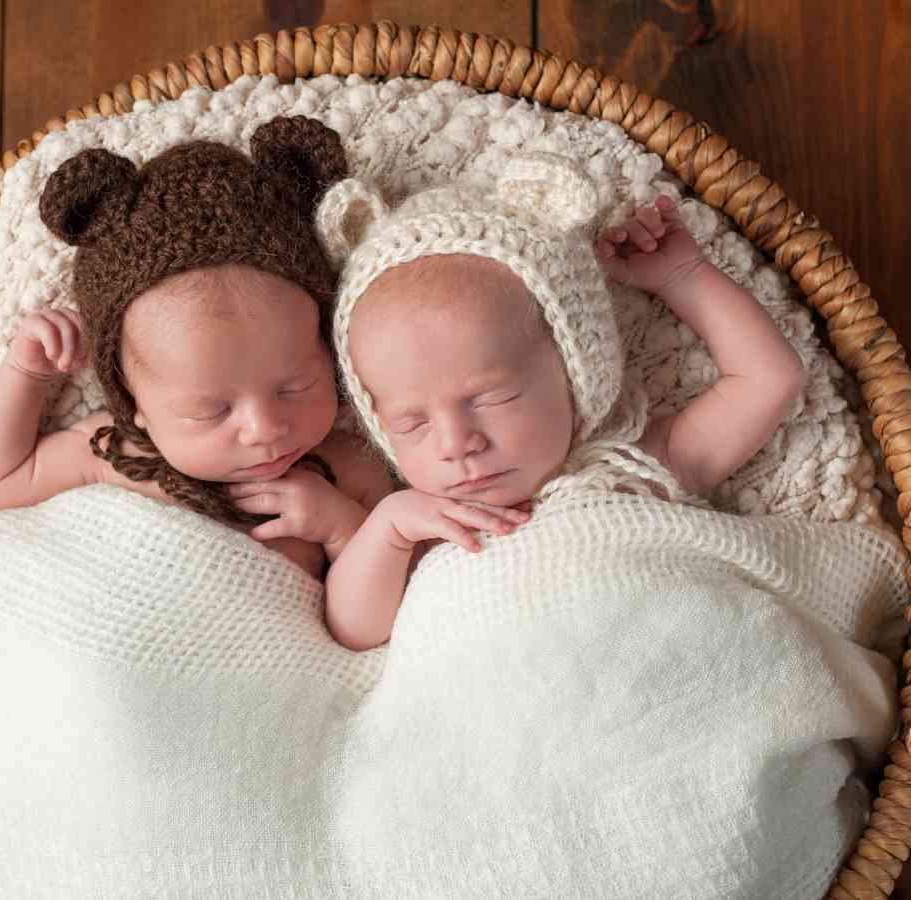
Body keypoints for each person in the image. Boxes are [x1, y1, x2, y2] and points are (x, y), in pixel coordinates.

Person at [318, 153, 806, 650]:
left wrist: (682, 276)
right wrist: (389, 528)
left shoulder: (635, 470)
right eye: (410, 424)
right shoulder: (424, 531)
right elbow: (354, 633)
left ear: (576, 374)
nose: (455, 442)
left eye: (493, 397)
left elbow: (769, 379)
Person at [0, 117, 393, 580]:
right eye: (210, 411)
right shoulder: (117, 455)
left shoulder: (348, 472)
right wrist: (26, 374)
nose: (264, 429)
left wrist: (343, 532)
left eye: (296, 387)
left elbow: (376, 624)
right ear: (134, 402)